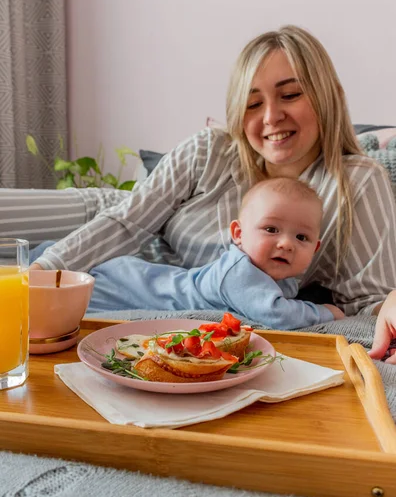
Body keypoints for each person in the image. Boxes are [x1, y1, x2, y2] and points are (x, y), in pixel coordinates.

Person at [25, 25, 396, 361]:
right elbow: (127, 221)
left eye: (291, 95)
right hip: (125, 268)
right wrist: (45, 270)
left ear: (328, 96)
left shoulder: (358, 182)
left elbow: (369, 304)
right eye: (253, 103)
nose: (270, 117)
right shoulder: (208, 151)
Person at [87, 177, 344, 329]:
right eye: (271, 229)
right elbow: (276, 315)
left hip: (152, 279)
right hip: (131, 286)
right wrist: (326, 312)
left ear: (315, 248)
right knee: (84, 295)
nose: (287, 243)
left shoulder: (280, 273)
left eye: (301, 237)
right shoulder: (240, 272)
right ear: (238, 233)